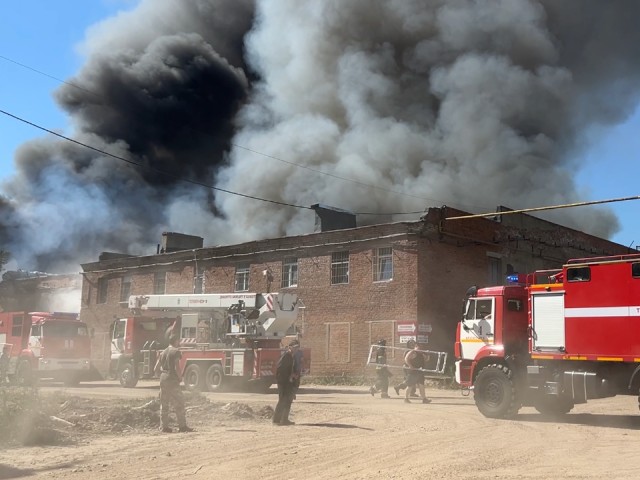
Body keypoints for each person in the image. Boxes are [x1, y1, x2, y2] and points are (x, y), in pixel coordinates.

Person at [156, 334, 194, 433]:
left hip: (163, 379)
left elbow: (155, 368)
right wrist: (180, 377)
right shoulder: (176, 352)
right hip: (172, 379)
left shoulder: (163, 352)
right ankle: (182, 426)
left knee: (164, 404)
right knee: (179, 403)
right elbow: (177, 366)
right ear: (176, 341)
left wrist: (162, 374)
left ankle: (163, 427)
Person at [273, 339, 299, 426]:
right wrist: (290, 376)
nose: (296, 349)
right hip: (283, 382)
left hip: (289, 382)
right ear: (290, 347)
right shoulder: (285, 356)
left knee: (288, 400)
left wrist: (294, 375)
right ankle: (276, 420)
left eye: (297, 347)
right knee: (282, 400)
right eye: (295, 347)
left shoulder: (292, 356)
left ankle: (284, 419)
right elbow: (280, 369)